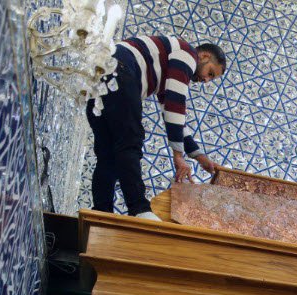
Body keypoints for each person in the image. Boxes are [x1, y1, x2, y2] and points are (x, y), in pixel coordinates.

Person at [87, 36, 227, 220]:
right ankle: (139, 208)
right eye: (210, 73)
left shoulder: (167, 67)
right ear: (205, 56)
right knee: (131, 140)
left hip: (98, 80)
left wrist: (200, 157)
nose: (206, 80)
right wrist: (178, 156)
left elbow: (173, 114)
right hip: (121, 69)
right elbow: (176, 102)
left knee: (108, 157)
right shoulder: (188, 53)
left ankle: (101, 215)